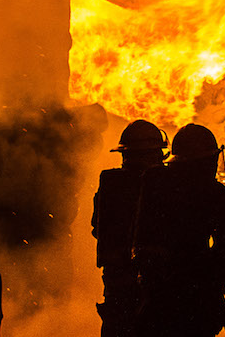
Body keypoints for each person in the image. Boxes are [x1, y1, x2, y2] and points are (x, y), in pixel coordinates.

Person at [132, 123, 225, 337]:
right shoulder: (214, 195)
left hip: (155, 300)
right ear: (207, 161)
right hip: (193, 306)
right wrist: (210, 277)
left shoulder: (153, 184)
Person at [92, 119, 167, 337]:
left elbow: (97, 228)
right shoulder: (163, 185)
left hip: (117, 285)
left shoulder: (111, 185)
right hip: (158, 287)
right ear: (156, 153)